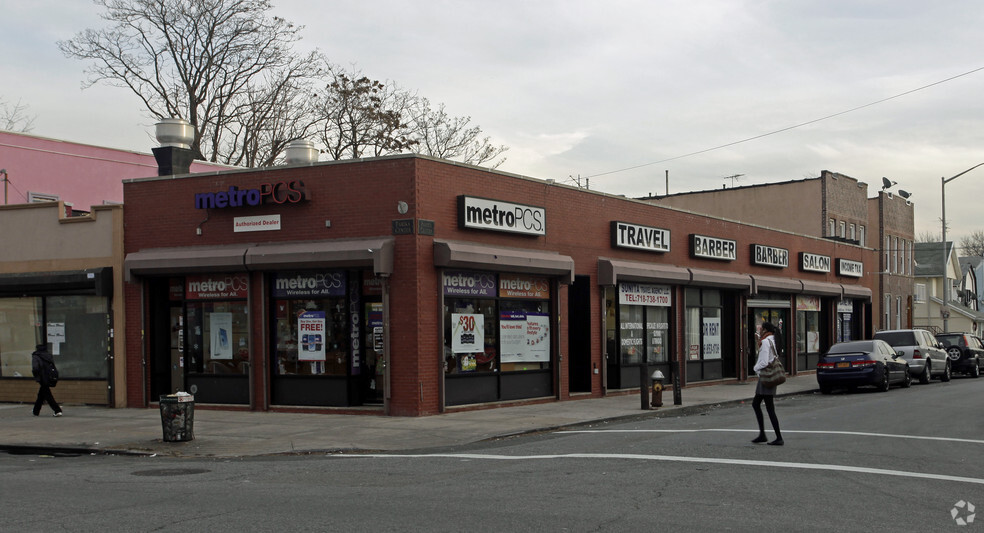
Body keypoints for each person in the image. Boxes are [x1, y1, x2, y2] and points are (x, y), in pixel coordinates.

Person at [752, 322, 782, 445]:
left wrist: (755, 368)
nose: (759, 331)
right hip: (769, 376)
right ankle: (763, 434)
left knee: (768, 407)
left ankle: (776, 437)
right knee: (757, 404)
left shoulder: (765, 342)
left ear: (765, 329)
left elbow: (764, 362)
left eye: (761, 329)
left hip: (766, 377)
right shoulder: (773, 340)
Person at [31, 344, 62, 417]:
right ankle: (36, 410)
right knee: (41, 394)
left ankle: (57, 410)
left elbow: (35, 368)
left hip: (42, 377)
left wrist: (36, 376)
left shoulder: (36, 356)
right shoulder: (48, 355)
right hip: (49, 376)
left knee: (48, 395)